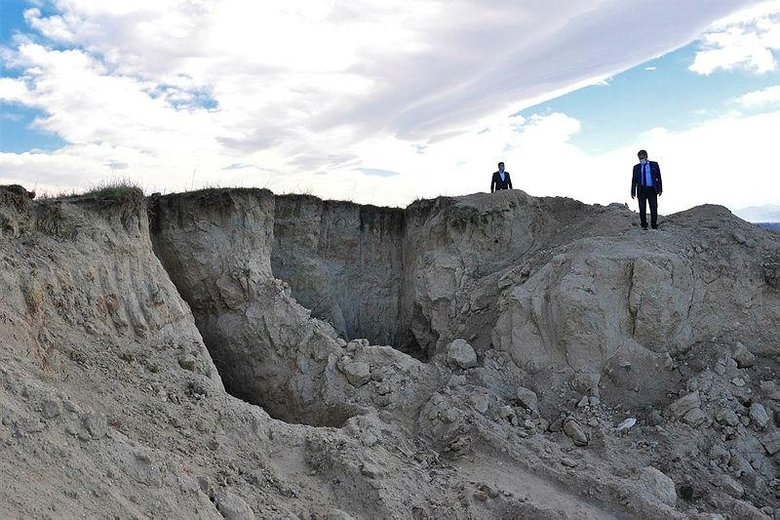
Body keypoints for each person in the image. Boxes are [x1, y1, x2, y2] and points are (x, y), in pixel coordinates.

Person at [631, 149, 662, 229]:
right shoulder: (636, 167)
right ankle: (644, 225)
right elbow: (634, 180)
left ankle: (654, 225)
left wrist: (660, 189)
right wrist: (633, 191)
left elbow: (658, 177)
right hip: (641, 190)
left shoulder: (654, 164)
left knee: (654, 208)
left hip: (652, 189)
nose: (641, 159)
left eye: (642, 157)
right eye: (639, 158)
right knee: (642, 208)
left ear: (646, 156)